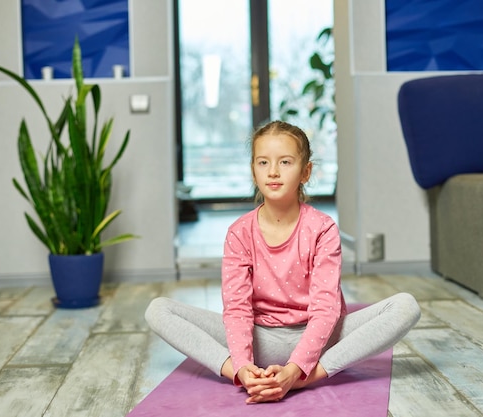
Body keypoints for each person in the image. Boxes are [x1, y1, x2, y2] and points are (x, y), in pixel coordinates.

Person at [145, 120, 421, 404]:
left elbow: (326, 310)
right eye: (263, 162)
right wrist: (241, 367)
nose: (273, 172)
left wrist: (296, 372)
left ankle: (310, 377)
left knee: (405, 306)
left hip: (323, 339)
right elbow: (237, 309)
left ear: (306, 171)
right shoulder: (239, 232)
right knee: (159, 310)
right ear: (253, 170)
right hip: (260, 339)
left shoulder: (323, 228)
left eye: (285, 162)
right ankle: (242, 374)